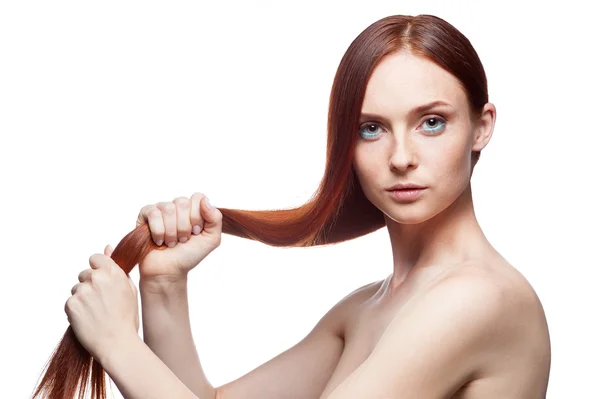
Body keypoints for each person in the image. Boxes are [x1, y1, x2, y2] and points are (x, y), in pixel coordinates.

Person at [65, 14, 551, 398]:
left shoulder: (480, 299)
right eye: (371, 128)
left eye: (431, 123)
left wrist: (117, 345)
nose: (401, 158)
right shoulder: (367, 308)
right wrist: (164, 285)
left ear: (482, 126)